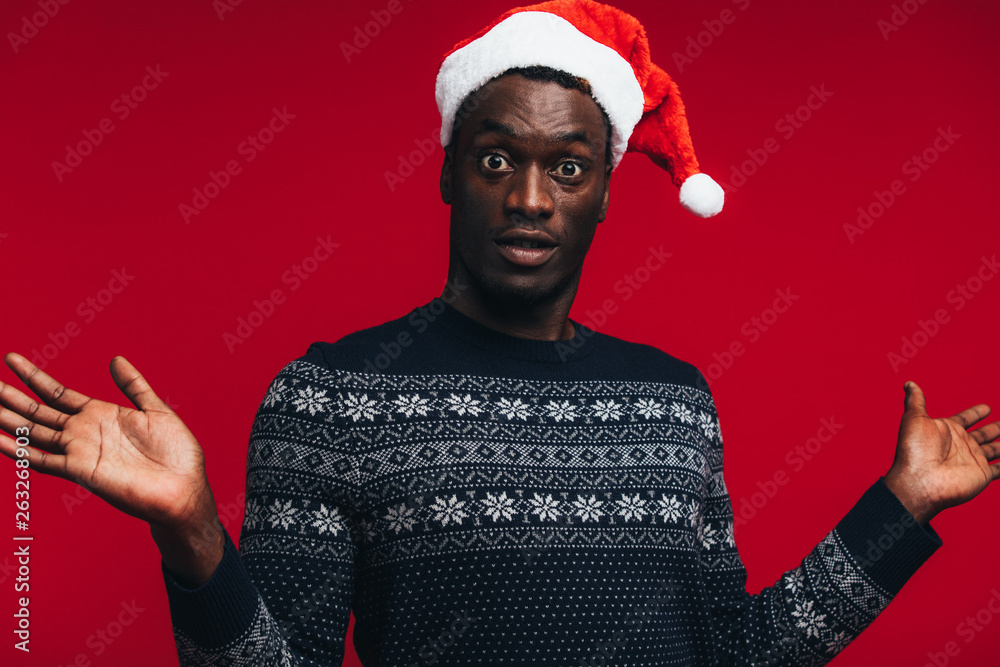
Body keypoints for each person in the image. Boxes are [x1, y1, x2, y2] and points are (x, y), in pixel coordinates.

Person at [1, 1, 998, 665]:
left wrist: (898, 506)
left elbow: (736, 650)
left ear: (605, 192)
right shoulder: (330, 397)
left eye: (567, 166)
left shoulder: (672, 400)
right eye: (494, 159)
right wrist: (192, 530)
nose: (529, 196)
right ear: (447, 171)